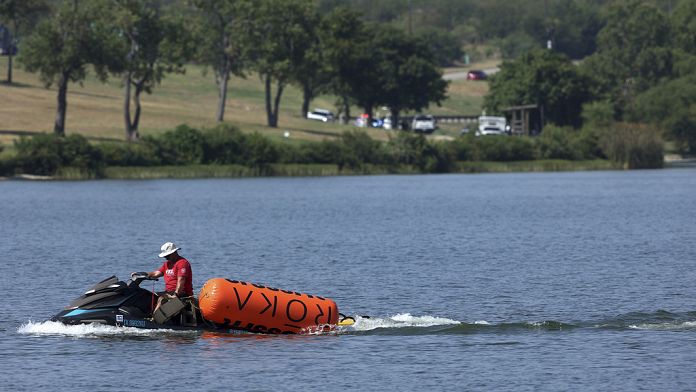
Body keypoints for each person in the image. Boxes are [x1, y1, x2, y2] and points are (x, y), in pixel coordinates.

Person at [134, 242, 193, 316]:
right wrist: (141, 274)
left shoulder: (182, 263)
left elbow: (181, 280)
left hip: (182, 293)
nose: (166, 258)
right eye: (165, 256)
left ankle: (154, 319)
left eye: (167, 255)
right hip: (168, 292)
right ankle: (146, 315)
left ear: (174, 252)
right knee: (150, 296)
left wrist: (176, 294)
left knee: (162, 298)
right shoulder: (167, 264)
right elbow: (156, 274)